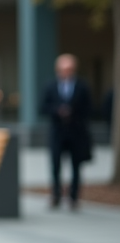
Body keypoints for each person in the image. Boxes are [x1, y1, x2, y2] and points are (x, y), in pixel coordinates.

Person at [41, 53, 93, 209]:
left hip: (76, 133)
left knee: (76, 166)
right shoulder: (50, 86)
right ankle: (56, 195)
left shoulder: (82, 86)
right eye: (63, 69)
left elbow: (89, 108)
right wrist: (58, 111)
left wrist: (74, 113)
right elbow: (43, 107)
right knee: (55, 165)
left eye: (69, 69)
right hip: (57, 132)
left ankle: (74, 197)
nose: (66, 72)